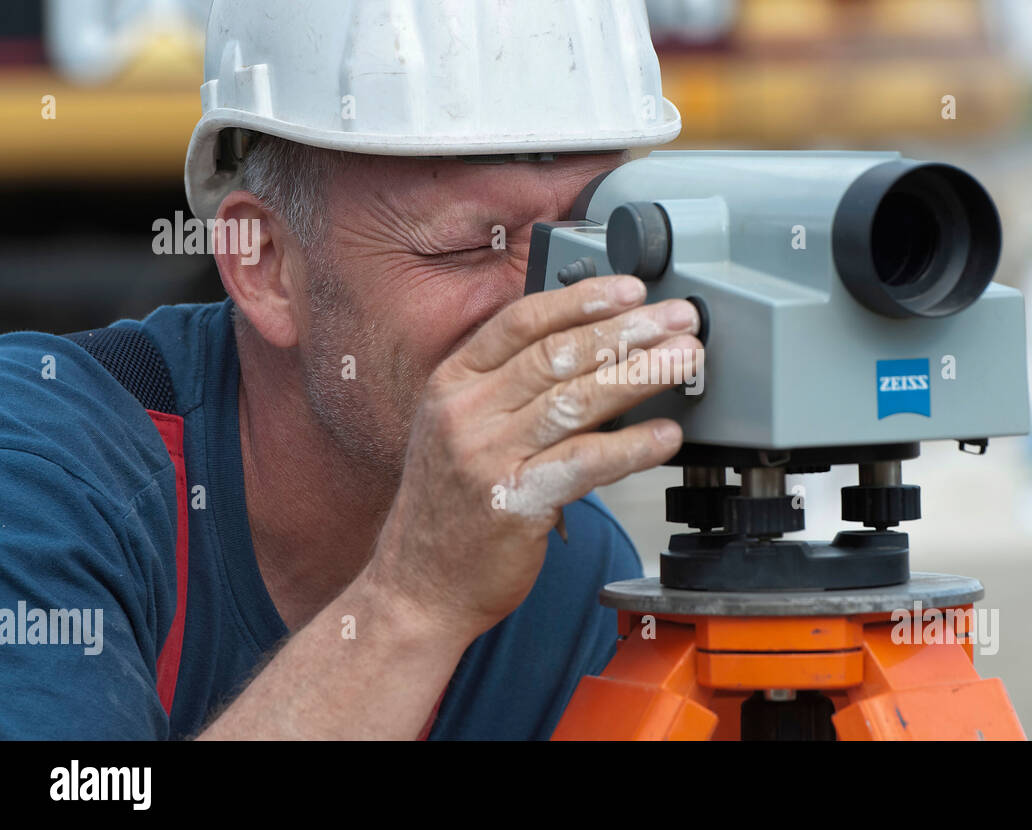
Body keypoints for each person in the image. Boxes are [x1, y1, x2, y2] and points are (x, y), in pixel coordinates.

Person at [0, 0, 700, 739]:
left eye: (584, 242)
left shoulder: (567, 572)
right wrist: (413, 603)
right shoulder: (42, 481)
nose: (542, 308)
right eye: (467, 249)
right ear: (264, 264)